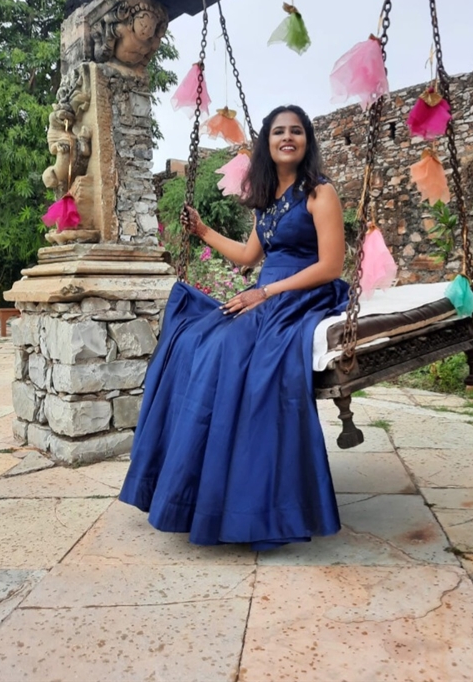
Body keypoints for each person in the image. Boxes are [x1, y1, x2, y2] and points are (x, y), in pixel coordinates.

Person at [119, 104, 350, 550]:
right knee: (192, 339)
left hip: (302, 294)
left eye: (296, 131)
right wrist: (203, 231)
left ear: (307, 141)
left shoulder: (320, 193)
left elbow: (331, 266)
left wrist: (266, 292)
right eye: (279, 131)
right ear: (267, 142)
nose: (288, 138)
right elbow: (248, 256)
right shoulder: (268, 200)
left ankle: (242, 497)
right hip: (265, 295)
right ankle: (190, 481)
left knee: (225, 349)